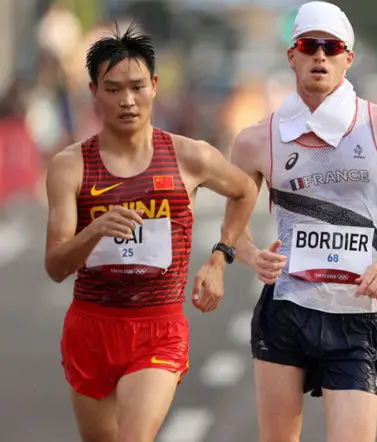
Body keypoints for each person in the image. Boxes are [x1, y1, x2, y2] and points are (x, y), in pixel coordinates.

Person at [226, 2, 377, 441]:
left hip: (355, 312)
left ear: (349, 57)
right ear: (291, 55)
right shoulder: (256, 139)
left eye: (331, 47)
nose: (320, 56)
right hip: (286, 310)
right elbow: (230, 223)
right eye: (309, 46)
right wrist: (251, 255)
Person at [44, 24, 255, 442]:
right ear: (94, 91)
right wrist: (95, 231)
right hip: (91, 327)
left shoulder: (190, 156)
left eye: (137, 87)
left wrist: (220, 258)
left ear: (154, 86)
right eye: (113, 89)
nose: (127, 100)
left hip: (159, 328)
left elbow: (244, 190)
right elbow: (55, 266)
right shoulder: (71, 166)